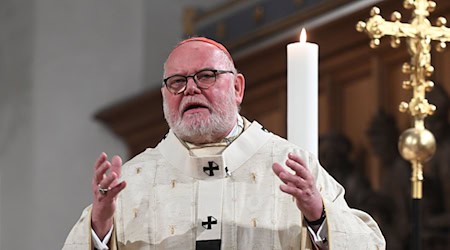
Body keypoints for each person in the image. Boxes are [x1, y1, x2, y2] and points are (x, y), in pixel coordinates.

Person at [63, 37, 385, 249]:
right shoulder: (133, 180)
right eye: (177, 82)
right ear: (165, 96)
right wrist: (101, 228)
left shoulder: (290, 164)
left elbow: (368, 244)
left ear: (237, 88)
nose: (190, 89)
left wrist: (317, 214)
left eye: (206, 76)